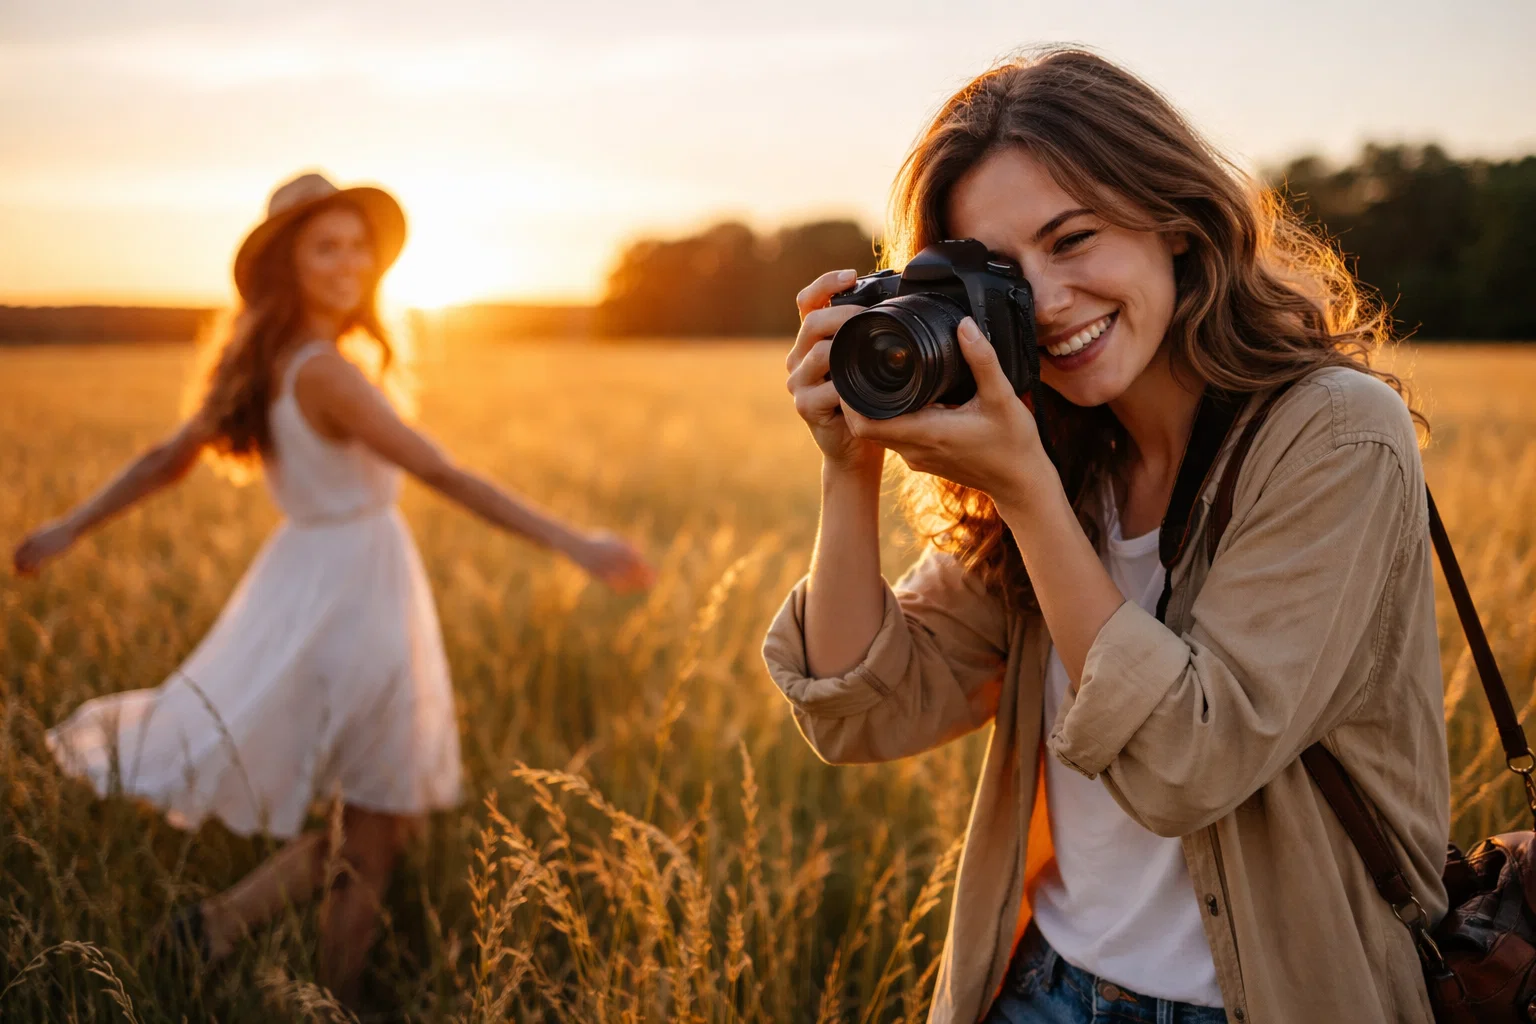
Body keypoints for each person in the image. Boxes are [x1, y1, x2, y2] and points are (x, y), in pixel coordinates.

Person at [767, 49, 1448, 1024]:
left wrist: (1026, 493)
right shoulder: (1064, 455)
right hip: (1040, 987)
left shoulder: (1331, 433)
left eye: (1073, 238)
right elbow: (866, 712)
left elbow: (1190, 763)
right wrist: (850, 465)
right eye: (1004, 273)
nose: (1046, 303)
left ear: (1174, 218)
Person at [13, 170, 655, 1002]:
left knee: (384, 815)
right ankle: (289, 971)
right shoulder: (322, 369)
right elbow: (441, 472)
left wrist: (71, 526)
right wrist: (580, 544)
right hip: (356, 590)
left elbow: (164, 461)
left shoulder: (266, 361)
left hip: (308, 582)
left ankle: (219, 932)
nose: (350, 261)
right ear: (288, 265)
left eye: (358, 245)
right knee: (382, 816)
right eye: (327, 246)